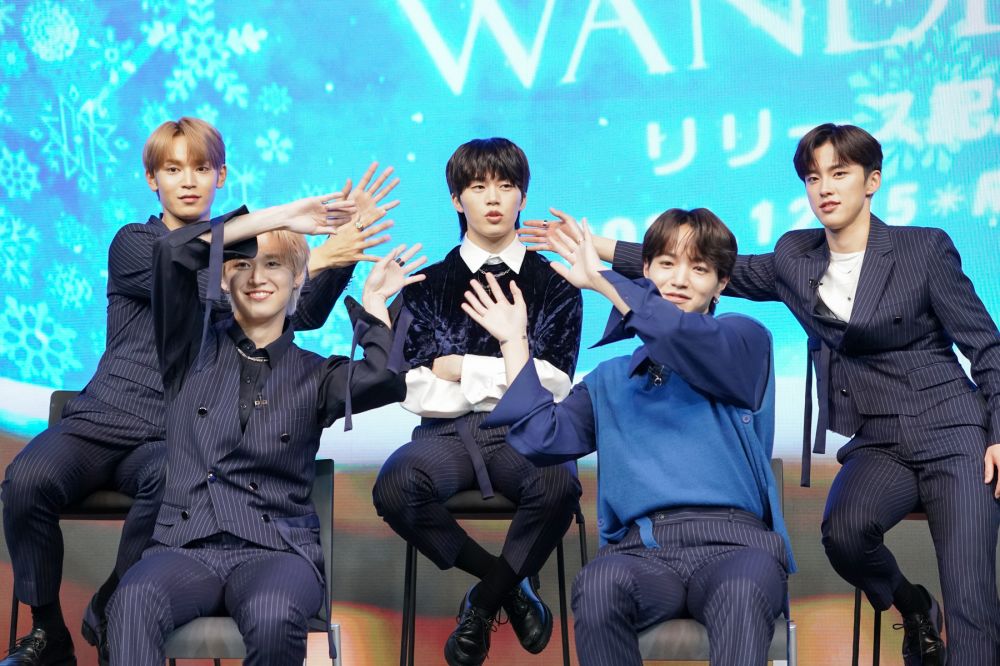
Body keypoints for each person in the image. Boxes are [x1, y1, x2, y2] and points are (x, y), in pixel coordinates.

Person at [521, 123, 1000, 665]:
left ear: (872, 181)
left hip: (950, 428)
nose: (825, 188)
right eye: (814, 177)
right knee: (845, 535)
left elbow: (986, 345)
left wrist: (998, 432)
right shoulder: (796, 257)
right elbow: (707, 265)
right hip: (878, 439)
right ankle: (913, 607)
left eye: (840, 174)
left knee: (971, 595)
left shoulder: (923, 248)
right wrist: (598, 248)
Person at [0, 116, 397, 666]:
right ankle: (48, 629)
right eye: (173, 169)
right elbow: (186, 265)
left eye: (201, 168)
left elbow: (285, 310)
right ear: (152, 179)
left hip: (173, 432)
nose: (188, 181)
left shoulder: (236, 258)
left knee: (176, 486)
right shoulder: (138, 242)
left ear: (221, 176)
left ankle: (113, 604)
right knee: (26, 481)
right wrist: (294, 232)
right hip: (105, 417)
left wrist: (334, 257)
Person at [104, 190, 423, 665]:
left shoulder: (318, 374)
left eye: (273, 265)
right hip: (186, 545)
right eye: (242, 265)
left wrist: (375, 301)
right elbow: (172, 252)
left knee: (273, 613)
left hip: (276, 550)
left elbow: (386, 379)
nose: (257, 277)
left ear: (299, 280)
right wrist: (282, 216)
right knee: (131, 600)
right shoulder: (185, 348)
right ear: (222, 279)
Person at [471, 208, 793, 665]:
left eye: (699, 269)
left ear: (721, 284)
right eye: (666, 264)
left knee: (741, 590)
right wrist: (513, 342)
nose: (679, 279)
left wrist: (603, 281)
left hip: (737, 546)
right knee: (598, 586)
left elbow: (677, 333)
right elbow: (541, 438)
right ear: (645, 271)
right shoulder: (610, 379)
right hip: (643, 551)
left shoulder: (745, 341)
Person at [371, 137, 583, 666]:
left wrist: (462, 367)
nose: (493, 198)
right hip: (444, 435)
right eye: (478, 186)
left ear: (522, 198)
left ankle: (482, 604)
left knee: (559, 483)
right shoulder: (424, 285)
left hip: (526, 431)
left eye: (506, 186)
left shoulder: (556, 284)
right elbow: (415, 387)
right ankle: (506, 584)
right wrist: (511, 370)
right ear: (455, 199)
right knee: (395, 486)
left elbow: (554, 383)